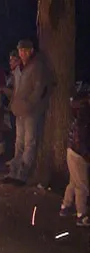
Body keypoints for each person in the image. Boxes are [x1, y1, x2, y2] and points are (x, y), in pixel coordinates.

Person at [2, 40, 52, 186]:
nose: (22, 53)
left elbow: (38, 90)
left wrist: (29, 105)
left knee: (30, 142)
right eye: (20, 50)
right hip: (19, 110)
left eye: (25, 50)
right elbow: (17, 89)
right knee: (19, 142)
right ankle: (13, 172)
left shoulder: (37, 66)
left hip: (31, 111)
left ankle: (22, 175)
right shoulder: (19, 69)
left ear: (31, 51)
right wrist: (14, 104)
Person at [59, 87, 90, 226]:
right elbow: (80, 138)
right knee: (81, 185)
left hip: (72, 151)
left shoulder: (79, 113)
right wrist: (86, 155)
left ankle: (66, 206)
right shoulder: (85, 115)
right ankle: (81, 215)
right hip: (78, 154)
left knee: (74, 181)